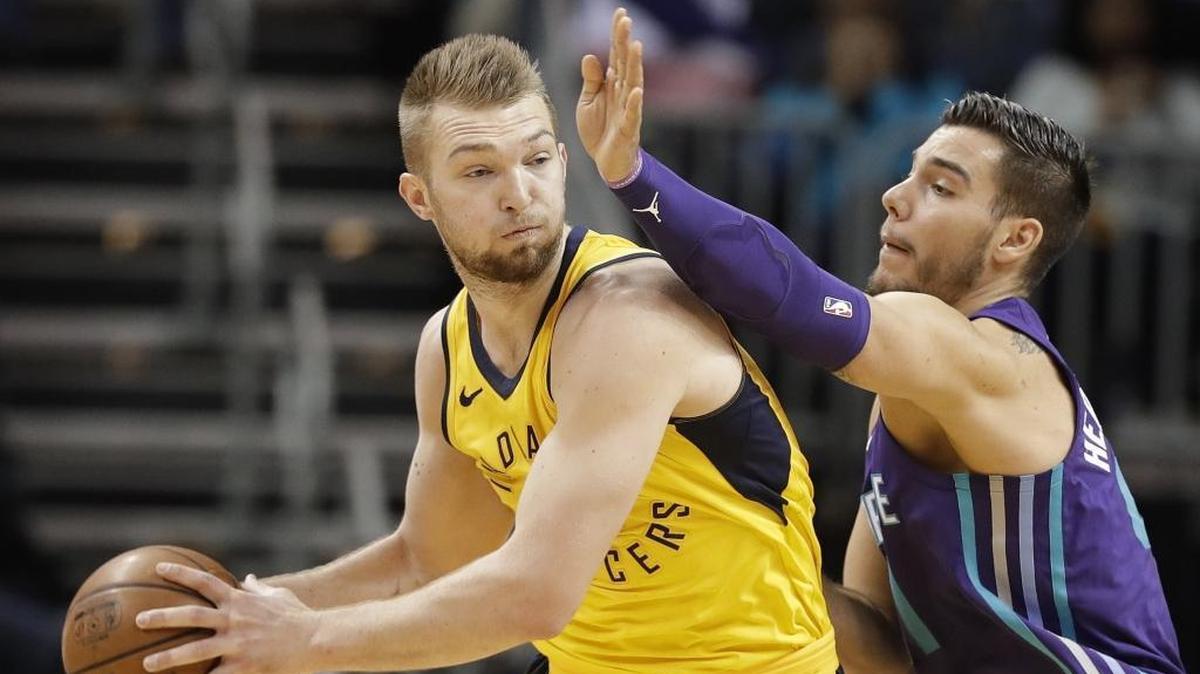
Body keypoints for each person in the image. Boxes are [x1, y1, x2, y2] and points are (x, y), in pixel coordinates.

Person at [133, 32, 841, 674]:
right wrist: (235, 616)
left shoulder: (629, 317)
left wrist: (307, 641)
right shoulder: (447, 349)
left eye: (536, 160)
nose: (518, 194)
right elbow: (428, 563)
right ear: (420, 197)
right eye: (478, 172)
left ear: (563, 163)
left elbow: (535, 595)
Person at [580, 8, 1184, 674]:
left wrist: (634, 175)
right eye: (909, 173)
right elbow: (881, 648)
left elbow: (793, 297)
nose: (895, 196)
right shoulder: (910, 391)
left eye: (940, 188)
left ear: (1015, 239)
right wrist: (734, 550)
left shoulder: (990, 360)